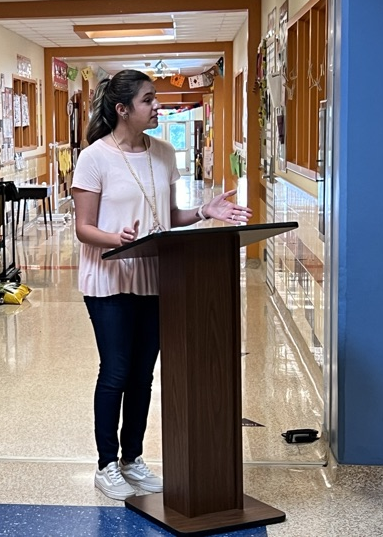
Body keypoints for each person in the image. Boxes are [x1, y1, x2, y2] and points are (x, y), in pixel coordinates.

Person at [72, 69, 252, 501]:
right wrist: (115, 240)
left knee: (142, 374)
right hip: (109, 277)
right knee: (115, 370)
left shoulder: (165, 153)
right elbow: (83, 228)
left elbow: (168, 217)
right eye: (149, 100)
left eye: (156, 99)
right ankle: (106, 464)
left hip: (154, 278)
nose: (158, 107)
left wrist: (205, 211)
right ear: (122, 109)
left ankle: (133, 459)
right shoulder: (94, 157)